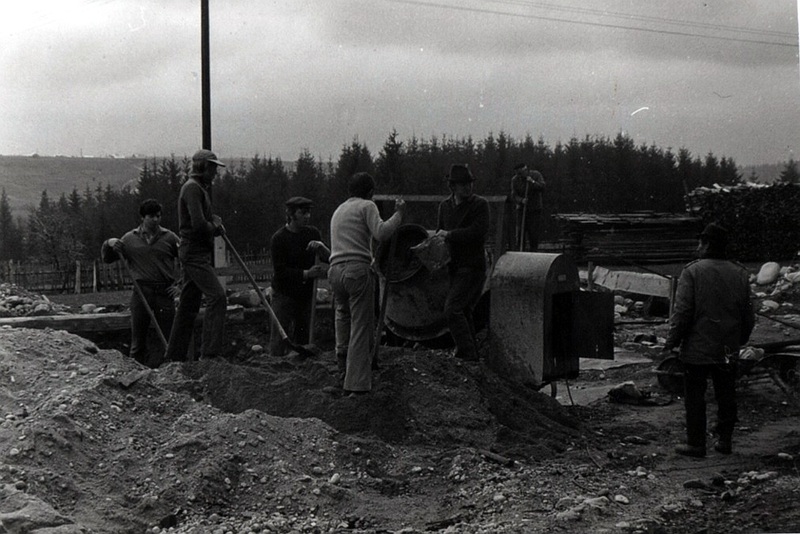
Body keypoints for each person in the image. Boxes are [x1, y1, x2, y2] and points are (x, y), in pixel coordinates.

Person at [664, 222, 755, 458]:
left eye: (700, 242)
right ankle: (724, 440)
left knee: (695, 395)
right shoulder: (740, 273)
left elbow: (682, 313)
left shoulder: (692, 272)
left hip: (697, 349)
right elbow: (748, 316)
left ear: (707, 244)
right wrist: (739, 340)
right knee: (726, 392)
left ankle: (696, 444)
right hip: (726, 348)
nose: (697, 247)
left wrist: (670, 342)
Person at [329, 172, 404, 396]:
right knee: (361, 327)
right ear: (370, 192)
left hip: (335, 271)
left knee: (342, 320)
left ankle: (341, 374)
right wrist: (399, 214)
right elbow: (381, 233)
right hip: (356, 270)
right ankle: (357, 385)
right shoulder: (367, 206)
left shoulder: (339, 209)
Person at [164, 149, 228, 362]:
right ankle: (210, 355)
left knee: (188, 305)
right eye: (212, 167)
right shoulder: (192, 189)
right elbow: (199, 225)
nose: (215, 172)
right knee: (217, 296)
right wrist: (214, 226)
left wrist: (214, 225)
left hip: (196, 251)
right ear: (201, 167)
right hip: (194, 253)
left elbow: (201, 222)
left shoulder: (198, 188)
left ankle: (174, 357)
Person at [101, 199, 179, 367]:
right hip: (141, 292)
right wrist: (108, 243)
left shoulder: (170, 237)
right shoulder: (129, 239)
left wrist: (179, 285)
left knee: (169, 338)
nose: (156, 220)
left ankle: (172, 373)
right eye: (151, 216)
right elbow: (107, 258)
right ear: (143, 217)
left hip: (164, 293)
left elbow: (188, 259)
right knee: (138, 340)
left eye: (159, 216)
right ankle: (136, 374)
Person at [436, 164, 490, 361]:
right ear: (453, 186)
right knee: (464, 309)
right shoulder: (444, 207)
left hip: (472, 266)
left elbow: (478, 232)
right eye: (463, 184)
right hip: (454, 267)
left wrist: (449, 235)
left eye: (469, 183)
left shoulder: (479, 205)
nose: (468, 187)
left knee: (453, 309)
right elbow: (440, 234)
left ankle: (467, 354)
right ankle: (471, 354)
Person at [269, 196, 330, 356]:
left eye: (308, 212)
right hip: (284, 295)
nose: (307, 216)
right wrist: (307, 274)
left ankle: (301, 371)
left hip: (305, 295)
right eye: (303, 213)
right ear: (291, 214)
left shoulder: (313, 233)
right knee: (279, 337)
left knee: (304, 337)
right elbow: (280, 272)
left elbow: (329, 258)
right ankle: (274, 368)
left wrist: (322, 247)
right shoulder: (279, 239)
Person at [510, 163, 546, 251]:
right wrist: (521, 200)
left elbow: (542, 187)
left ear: (525, 170)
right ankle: (520, 253)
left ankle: (533, 254)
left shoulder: (536, 175)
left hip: (534, 210)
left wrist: (532, 182)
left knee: (533, 234)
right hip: (522, 210)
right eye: (517, 174)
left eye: (521, 173)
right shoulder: (515, 180)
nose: (519, 175)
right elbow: (514, 195)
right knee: (520, 234)